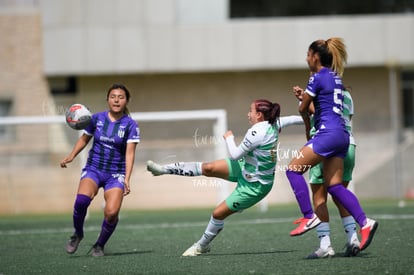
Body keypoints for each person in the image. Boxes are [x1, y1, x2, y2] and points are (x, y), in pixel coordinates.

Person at [147, 99, 281, 256]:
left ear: (259, 115)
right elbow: (293, 119)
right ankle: (162, 170)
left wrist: (229, 138)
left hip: (255, 186)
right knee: (208, 167)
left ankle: (201, 246)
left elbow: (235, 154)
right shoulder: (273, 124)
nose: (248, 114)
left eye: (250, 111)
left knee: (218, 214)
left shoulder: (258, 131)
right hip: (245, 167)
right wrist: (311, 115)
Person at [285, 37, 378, 253]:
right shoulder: (336, 78)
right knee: (335, 186)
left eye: (308, 55)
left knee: (292, 170)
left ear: (316, 57)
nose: (306, 59)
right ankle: (365, 222)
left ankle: (309, 217)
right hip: (343, 136)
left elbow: (303, 109)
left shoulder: (316, 77)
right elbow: (323, 105)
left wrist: (307, 121)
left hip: (326, 134)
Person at [60, 83, 140, 257]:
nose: (116, 100)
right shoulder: (96, 118)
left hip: (115, 174)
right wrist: (71, 155)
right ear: (107, 99)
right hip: (94, 169)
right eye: (113, 96)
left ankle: (100, 245)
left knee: (111, 213)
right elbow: (84, 139)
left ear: (126, 101)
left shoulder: (131, 125)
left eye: (121, 97)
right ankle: (78, 234)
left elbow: (130, 154)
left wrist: (126, 179)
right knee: (81, 201)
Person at [292, 86, 360, 258]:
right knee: (340, 195)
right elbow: (344, 119)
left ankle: (325, 245)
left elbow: (322, 115)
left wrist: (305, 103)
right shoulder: (347, 95)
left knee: (319, 197)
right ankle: (353, 239)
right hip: (348, 144)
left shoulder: (321, 92)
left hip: (324, 144)